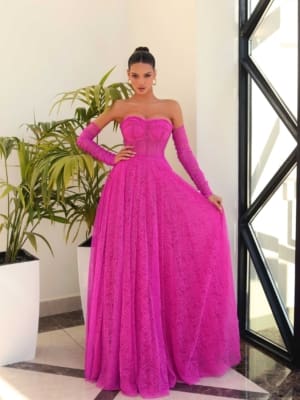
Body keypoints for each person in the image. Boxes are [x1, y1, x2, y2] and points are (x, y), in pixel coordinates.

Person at [76, 46, 240, 398]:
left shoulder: (171, 107)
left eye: (146, 75)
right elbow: (83, 138)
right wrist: (110, 157)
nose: (140, 81)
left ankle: (160, 347)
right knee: (127, 267)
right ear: (128, 76)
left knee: (159, 265)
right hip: (124, 192)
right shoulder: (120, 108)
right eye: (134, 75)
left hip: (160, 190)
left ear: (155, 75)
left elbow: (184, 153)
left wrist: (207, 191)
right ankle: (126, 355)